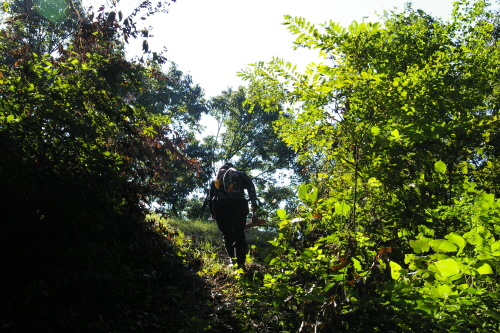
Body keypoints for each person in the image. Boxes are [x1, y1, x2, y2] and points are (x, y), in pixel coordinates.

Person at [208, 162, 259, 271]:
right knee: (239, 235)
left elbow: (210, 197)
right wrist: (253, 201)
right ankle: (241, 264)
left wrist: (213, 213)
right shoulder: (239, 174)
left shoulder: (216, 179)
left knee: (227, 235)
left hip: (221, 207)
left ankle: (233, 261)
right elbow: (250, 186)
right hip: (238, 206)